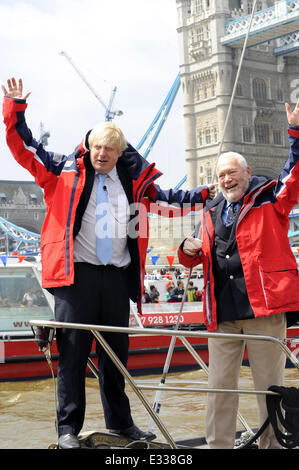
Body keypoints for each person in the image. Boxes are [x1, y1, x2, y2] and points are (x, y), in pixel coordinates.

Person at [2, 77, 216, 449]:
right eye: (97, 146)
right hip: (76, 277)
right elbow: (25, 150)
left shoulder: (133, 184)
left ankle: (121, 424)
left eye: (109, 149)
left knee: (116, 356)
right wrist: (16, 110)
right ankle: (68, 430)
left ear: (120, 154)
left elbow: (168, 200)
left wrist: (205, 195)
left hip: (117, 278)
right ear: (89, 147)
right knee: (72, 356)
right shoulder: (60, 171)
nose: (102, 153)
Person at [178, 99, 299, 449]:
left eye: (232, 172)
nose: (227, 179)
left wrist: (295, 133)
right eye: (221, 176)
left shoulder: (270, 199)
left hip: (263, 307)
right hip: (223, 310)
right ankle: (218, 446)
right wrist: (186, 251)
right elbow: (201, 255)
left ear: (247, 173)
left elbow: (294, 173)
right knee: (219, 386)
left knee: (269, 385)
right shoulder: (210, 209)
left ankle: (272, 446)